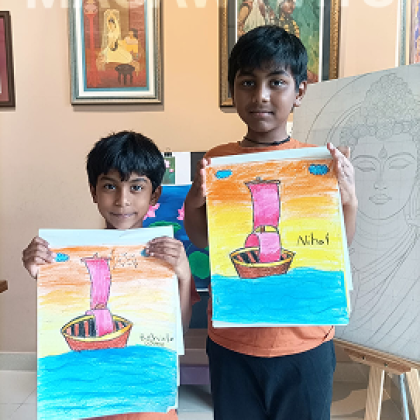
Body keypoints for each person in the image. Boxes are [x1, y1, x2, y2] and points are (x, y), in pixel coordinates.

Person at [184, 25, 358, 420]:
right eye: (248, 82)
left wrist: (349, 198)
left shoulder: (316, 162)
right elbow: (205, 240)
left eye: (276, 82)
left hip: (306, 344)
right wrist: (196, 197)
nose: (260, 95)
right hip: (232, 340)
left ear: (299, 91)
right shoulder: (219, 159)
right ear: (233, 90)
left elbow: (338, 246)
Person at [22, 131, 200, 420]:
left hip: (149, 406)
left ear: (154, 194)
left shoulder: (168, 257)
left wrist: (184, 275)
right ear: (94, 191)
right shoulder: (68, 255)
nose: (122, 200)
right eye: (109, 186)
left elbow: (178, 332)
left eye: (136, 187)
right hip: (88, 403)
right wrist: (42, 270)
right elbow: (58, 316)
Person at [334, 73, 420, 361]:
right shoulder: (324, 243)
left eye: (399, 164)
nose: (382, 181)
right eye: (368, 166)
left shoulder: (414, 258)